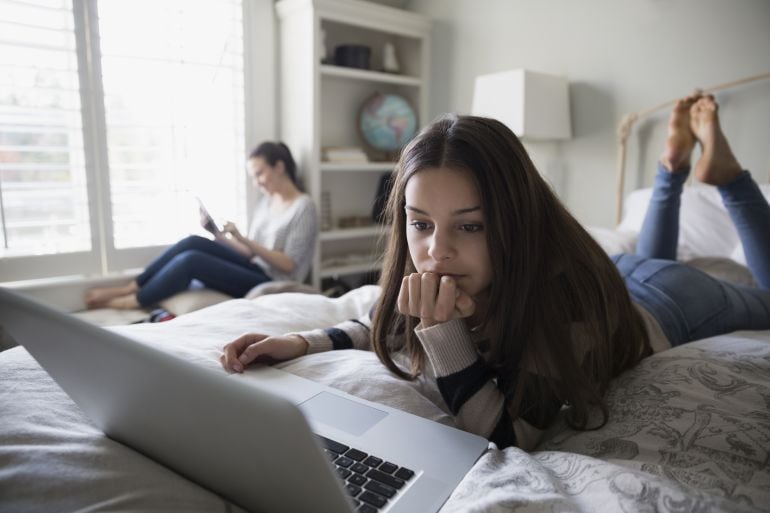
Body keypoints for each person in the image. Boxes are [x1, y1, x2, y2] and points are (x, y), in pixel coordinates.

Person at [220, 95, 770, 451]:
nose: (436, 251)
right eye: (421, 224)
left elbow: (511, 436)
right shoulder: (447, 270)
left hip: (674, 300)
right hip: (623, 268)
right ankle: (671, 170)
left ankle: (728, 180)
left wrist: (445, 336)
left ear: (514, 221)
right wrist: (300, 341)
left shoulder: (566, 306)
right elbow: (384, 324)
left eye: (470, 227)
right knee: (654, 253)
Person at [85, 142, 318, 310]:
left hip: (274, 281)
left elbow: (288, 265)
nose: (257, 183)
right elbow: (249, 254)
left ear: (279, 167)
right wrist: (216, 233)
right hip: (254, 267)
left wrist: (243, 238)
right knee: (192, 242)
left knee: (192, 261)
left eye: (259, 174)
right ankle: (130, 287)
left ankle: (134, 301)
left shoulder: (303, 207)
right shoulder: (267, 202)